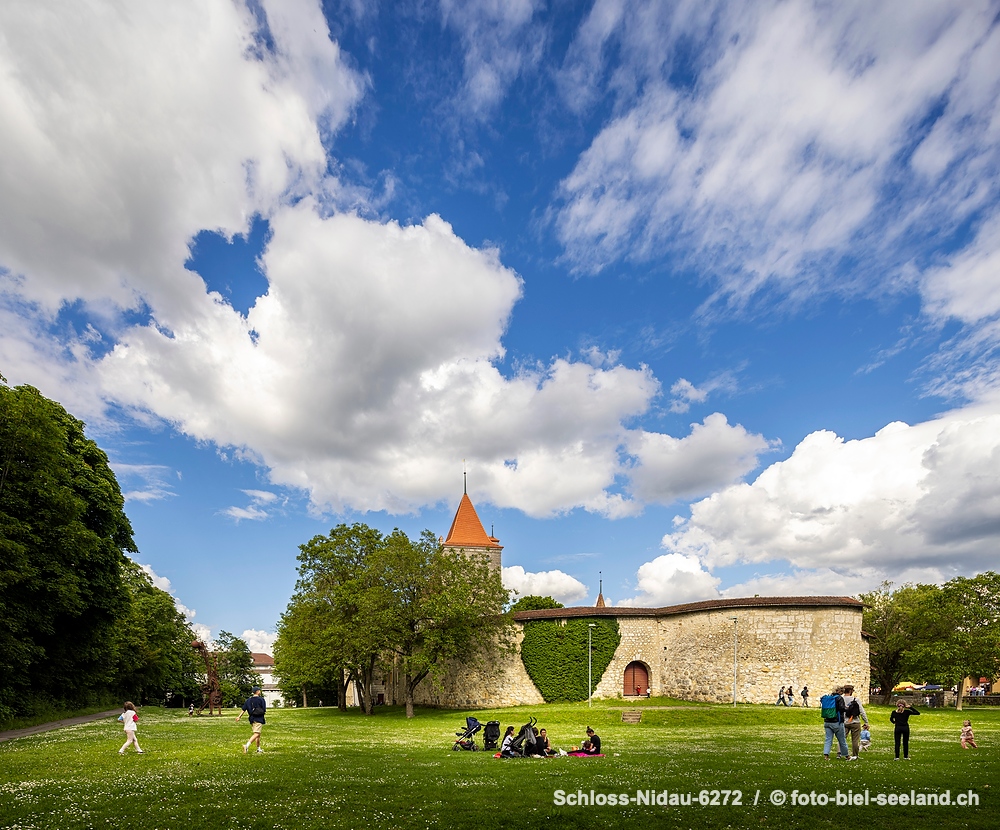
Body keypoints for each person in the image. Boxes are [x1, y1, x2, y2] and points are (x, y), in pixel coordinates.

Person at [822, 686, 851, 760]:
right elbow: (841, 708)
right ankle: (847, 755)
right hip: (836, 722)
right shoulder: (839, 698)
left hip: (827, 721)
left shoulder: (828, 697)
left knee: (828, 739)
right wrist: (847, 708)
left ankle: (826, 755)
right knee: (842, 740)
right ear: (840, 691)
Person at [841, 684, 869, 760]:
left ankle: (839, 753)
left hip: (844, 722)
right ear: (850, 691)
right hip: (855, 722)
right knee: (855, 740)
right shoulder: (856, 700)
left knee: (842, 738)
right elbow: (861, 711)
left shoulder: (841, 699)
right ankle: (855, 755)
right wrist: (866, 721)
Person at [236, 687, 267, 754]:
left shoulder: (248, 700)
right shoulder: (261, 699)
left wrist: (239, 717)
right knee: (257, 733)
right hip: (259, 718)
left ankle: (258, 749)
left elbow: (243, 709)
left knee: (257, 734)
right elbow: (264, 709)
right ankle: (246, 746)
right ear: (258, 691)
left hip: (252, 719)